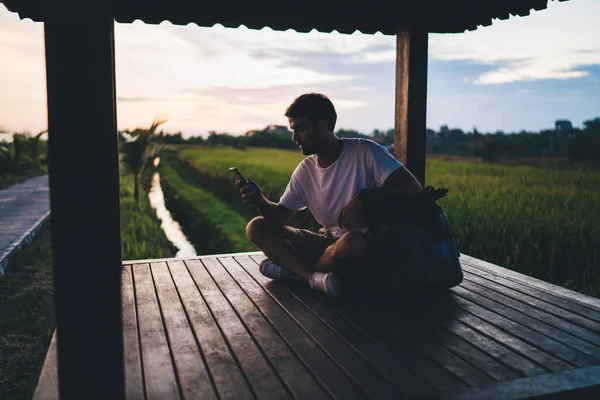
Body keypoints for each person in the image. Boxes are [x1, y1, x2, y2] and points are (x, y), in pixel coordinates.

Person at [236, 93, 422, 296]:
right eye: (293, 129)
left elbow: (412, 187)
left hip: (365, 247)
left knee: (353, 242)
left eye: (300, 129)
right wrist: (260, 201)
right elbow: (281, 216)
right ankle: (310, 277)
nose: (294, 137)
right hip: (326, 243)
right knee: (256, 226)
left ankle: (293, 270)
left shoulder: (366, 151)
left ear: (323, 126)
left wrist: (365, 197)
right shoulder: (306, 170)